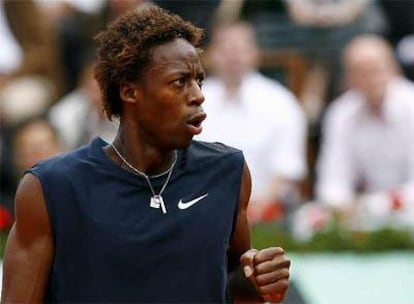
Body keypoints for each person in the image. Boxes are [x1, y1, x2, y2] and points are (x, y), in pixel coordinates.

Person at [1, 5, 290, 303]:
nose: (198, 95)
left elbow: (233, 282)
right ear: (129, 93)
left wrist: (258, 279)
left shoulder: (228, 171)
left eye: (198, 80)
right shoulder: (51, 188)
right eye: (179, 81)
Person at [198, 21, 308, 224]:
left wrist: (254, 211)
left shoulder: (281, 101)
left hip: (268, 216)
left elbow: (288, 170)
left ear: (255, 53)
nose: (233, 56)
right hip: (202, 213)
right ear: (211, 54)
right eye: (226, 49)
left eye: (241, 49)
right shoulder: (193, 100)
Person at [314, 34, 414, 231]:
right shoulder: (340, 113)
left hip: (404, 209)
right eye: (361, 72)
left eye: (376, 70)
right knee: (309, 221)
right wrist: (340, 205)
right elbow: (332, 180)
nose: (370, 79)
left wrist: (375, 205)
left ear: (393, 70)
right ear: (348, 78)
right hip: (360, 215)